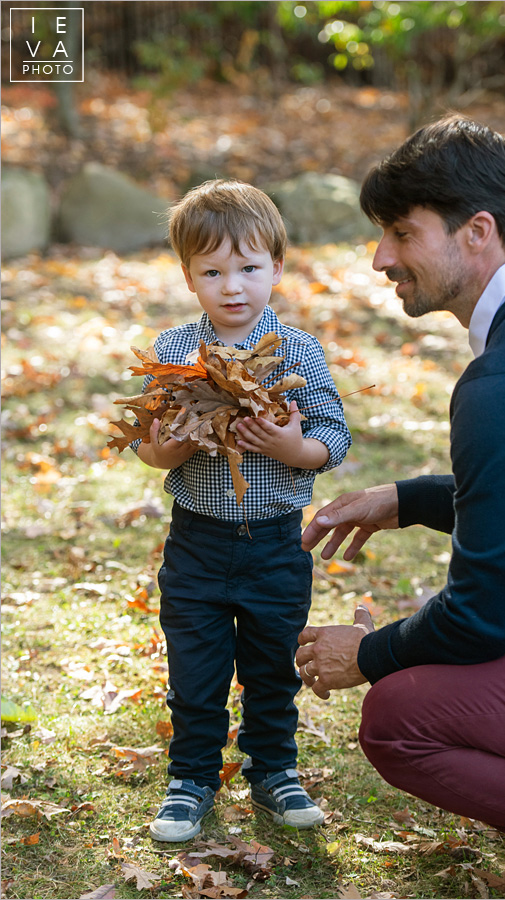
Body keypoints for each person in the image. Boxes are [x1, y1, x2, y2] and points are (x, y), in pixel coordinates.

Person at [296, 116, 505, 875]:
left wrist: (367, 653)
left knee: (399, 718)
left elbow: (479, 619)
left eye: (402, 232)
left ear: (478, 232)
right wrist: (414, 498)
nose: (380, 258)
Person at [131, 179, 352, 841]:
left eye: (250, 268)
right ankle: (192, 775)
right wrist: (165, 449)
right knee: (195, 667)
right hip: (197, 541)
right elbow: (148, 446)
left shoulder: (299, 352)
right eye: (214, 272)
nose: (234, 286)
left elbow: (334, 437)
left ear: (276, 269)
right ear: (189, 277)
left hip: (276, 543)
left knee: (270, 663)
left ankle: (273, 769)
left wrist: (294, 445)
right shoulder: (175, 352)